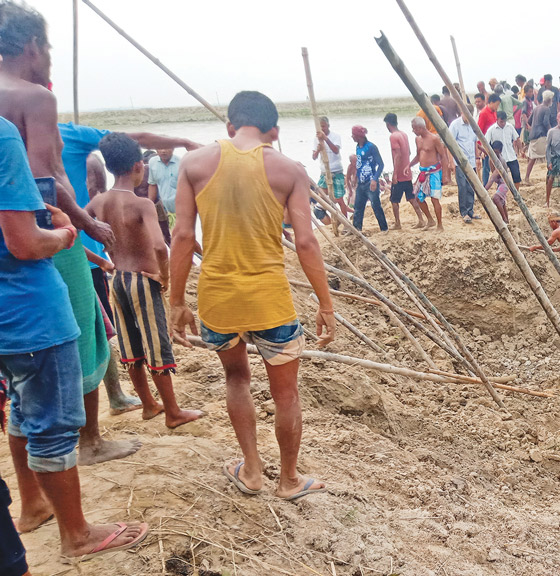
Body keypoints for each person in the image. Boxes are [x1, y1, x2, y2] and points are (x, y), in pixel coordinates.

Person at [170, 90, 335, 501]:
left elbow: (183, 236)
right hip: (270, 301)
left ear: (230, 126)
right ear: (274, 131)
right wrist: (326, 303)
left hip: (218, 299)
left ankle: (252, 470)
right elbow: (306, 244)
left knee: (235, 378)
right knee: (286, 394)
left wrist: (175, 301)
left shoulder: (193, 164)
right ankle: (290, 480)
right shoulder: (289, 171)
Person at [0, 115, 149, 565]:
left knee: (24, 410)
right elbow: (25, 242)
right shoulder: (7, 134)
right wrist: (67, 232)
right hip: (30, 311)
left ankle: (33, 505)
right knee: (54, 424)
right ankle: (77, 535)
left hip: (7, 320)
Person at [88, 132, 205, 429]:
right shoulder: (141, 204)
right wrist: (163, 276)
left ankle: (148, 405)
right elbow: (157, 245)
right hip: (143, 281)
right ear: (139, 166)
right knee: (156, 343)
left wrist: (101, 259)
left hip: (117, 279)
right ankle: (173, 412)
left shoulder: (99, 202)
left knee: (131, 346)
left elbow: (75, 230)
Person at [384, 113, 425, 230]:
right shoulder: (404, 134)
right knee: (411, 198)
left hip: (400, 174)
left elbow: (397, 155)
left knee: (394, 200)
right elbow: (409, 152)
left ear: (388, 124)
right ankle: (421, 219)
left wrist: (395, 173)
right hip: (407, 173)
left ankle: (397, 223)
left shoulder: (393, 136)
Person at [345, 125, 389, 233]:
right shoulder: (357, 148)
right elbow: (359, 164)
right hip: (361, 182)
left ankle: (384, 229)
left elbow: (381, 164)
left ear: (358, 136)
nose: (352, 137)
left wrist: (375, 179)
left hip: (370, 182)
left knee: (376, 205)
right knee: (358, 207)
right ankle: (357, 229)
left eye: (353, 135)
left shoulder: (371, 147)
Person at [410, 117, 447, 231]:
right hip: (423, 172)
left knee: (434, 199)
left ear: (420, 128)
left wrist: (445, 175)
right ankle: (430, 220)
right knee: (417, 197)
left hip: (434, 172)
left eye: (414, 129)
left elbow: (443, 156)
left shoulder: (434, 139)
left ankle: (440, 225)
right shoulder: (418, 139)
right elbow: (418, 155)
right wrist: (408, 165)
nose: (413, 131)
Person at [450, 109, 481, 224]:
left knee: (471, 186)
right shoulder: (455, 125)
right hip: (460, 162)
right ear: (461, 113)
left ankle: (470, 210)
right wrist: (451, 162)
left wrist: (477, 158)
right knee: (462, 187)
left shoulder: (473, 124)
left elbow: (475, 143)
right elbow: (449, 144)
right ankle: (464, 212)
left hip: (471, 161)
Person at [311, 116, 346, 206]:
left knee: (339, 199)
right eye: (320, 127)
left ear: (328, 126)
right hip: (324, 171)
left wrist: (325, 138)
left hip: (336, 170)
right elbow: (314, 157)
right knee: (321, 196)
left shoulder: (335, 136)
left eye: (323, 126)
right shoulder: (316, 139)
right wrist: (318, 150)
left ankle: (344, 218)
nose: (322, 129)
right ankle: (328, 215)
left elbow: (336, 150)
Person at [484, 110, 521, 189]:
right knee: (500, 178)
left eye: (504, 121)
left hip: (511, 155)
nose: (503, 123)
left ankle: (517, 194)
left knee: (516, 175)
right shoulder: (491, 130)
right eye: (501, 121)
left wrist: (521, 150)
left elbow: (517, 138)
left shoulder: (510, 126)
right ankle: (501, 194)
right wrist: (484, 153)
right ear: (497, 119)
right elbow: (486, 142)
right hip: (500, 157)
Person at [525, 91, 555, 185]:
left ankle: (526, 177)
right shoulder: (546, 109)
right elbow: (546, 122)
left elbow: (529, 121)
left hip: (533, 135)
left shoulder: (536, 108)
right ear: (549, 99)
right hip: (541, 135)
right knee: (550, 155)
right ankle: (551, 176)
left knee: (532, 158)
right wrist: (551, 132)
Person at [483, 141, 511, 224]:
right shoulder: (491, 159)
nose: (494, 154)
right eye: (493, 152)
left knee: (496, 198)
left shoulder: (500, 162)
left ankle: (504, 219)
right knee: (501, 202)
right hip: (499, 183)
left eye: (496, 152)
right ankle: (506, 220)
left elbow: (492, 179)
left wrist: (483, 191)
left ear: (500, 152)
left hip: (504, 183)